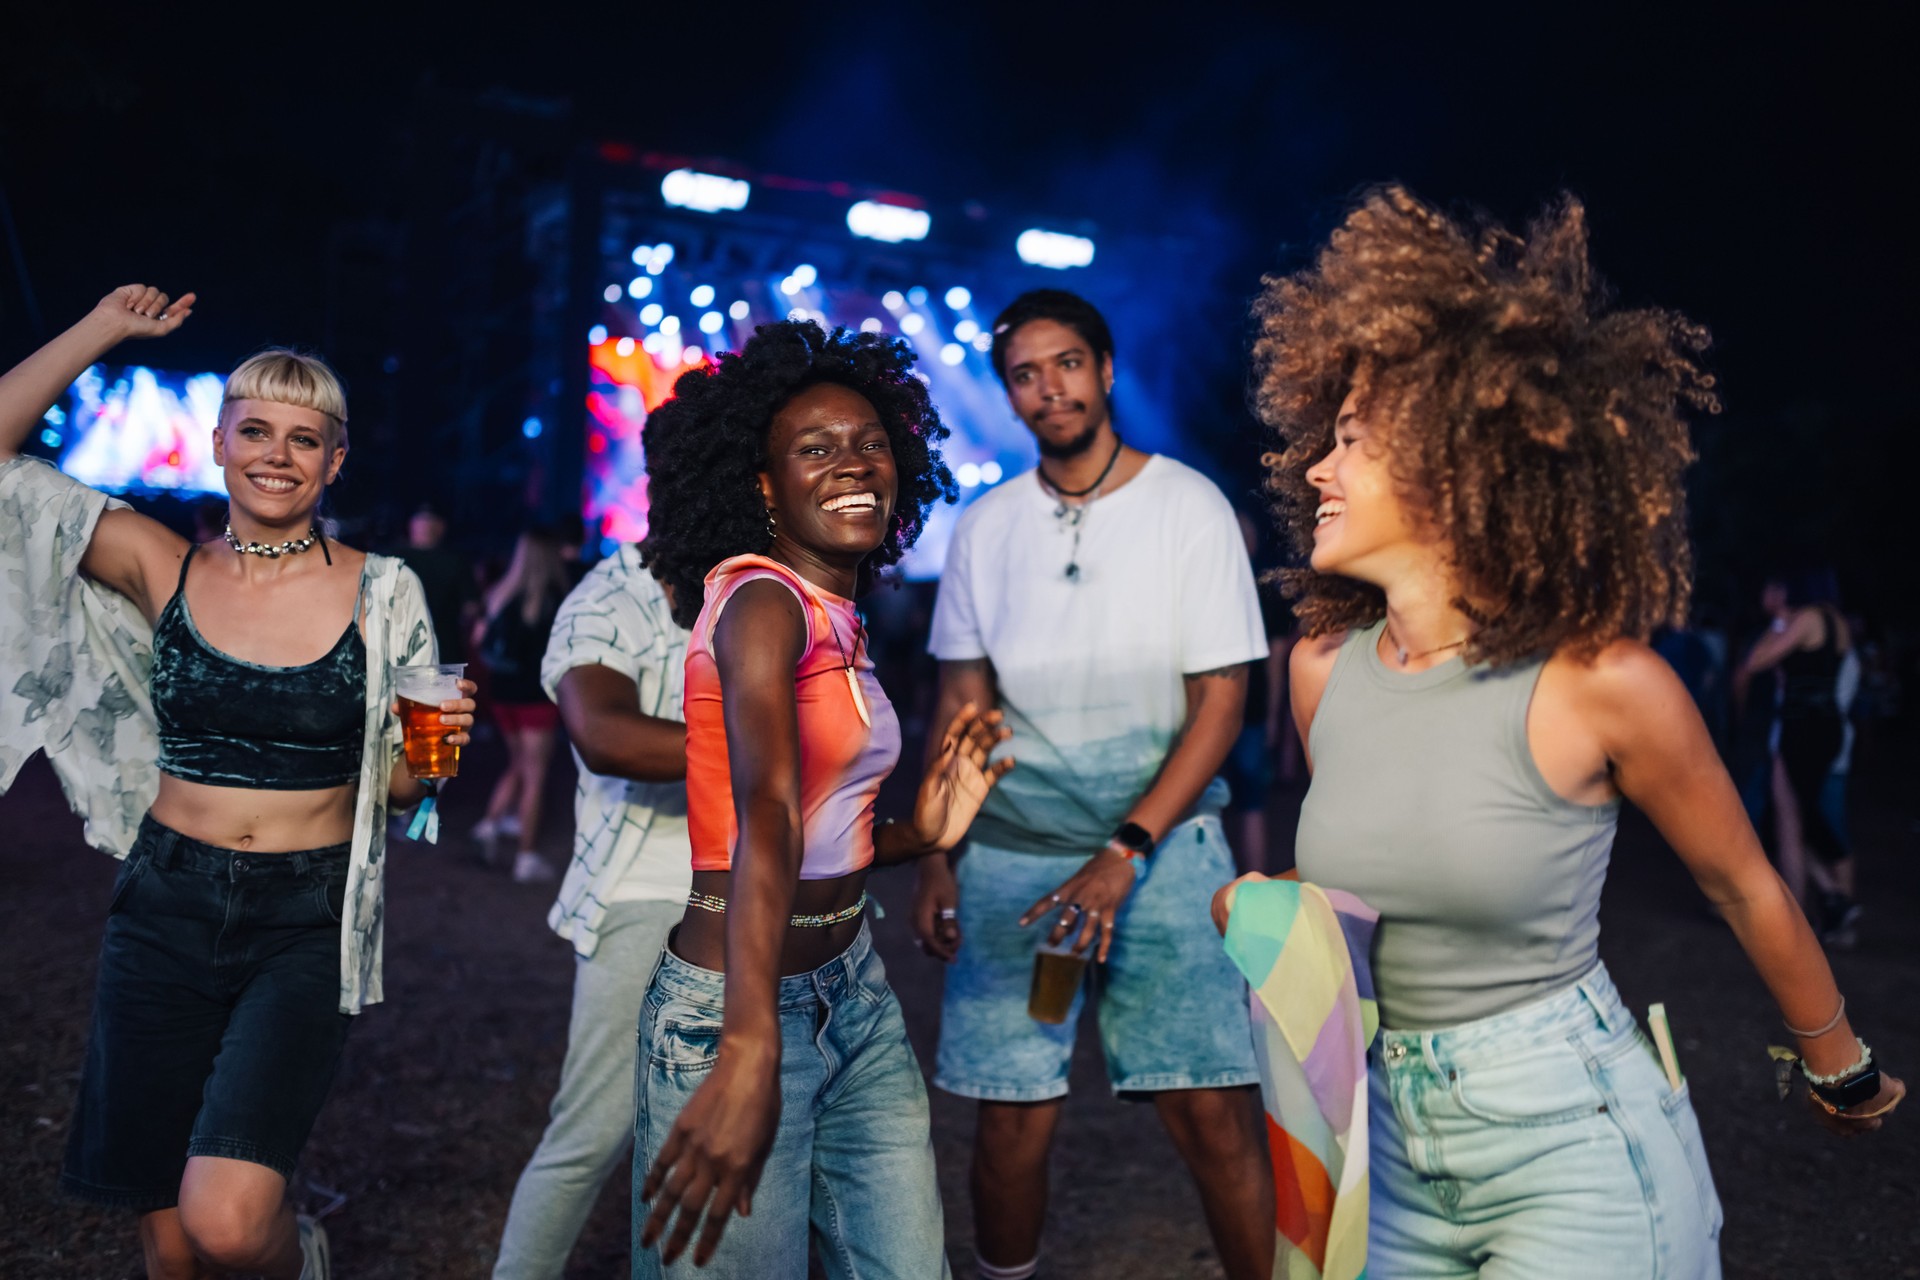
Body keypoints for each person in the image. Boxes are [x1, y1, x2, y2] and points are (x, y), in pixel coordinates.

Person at [1225, 187, 1902, 1278]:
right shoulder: (1319, 673)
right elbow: (1385, 854)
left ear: (1454, 464)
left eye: (1351, 442)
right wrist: (1269, 904)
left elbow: (1743, 883)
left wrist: (1838, 1062)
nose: (1315, 468)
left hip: (1570, 1136)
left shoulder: (1603, 683)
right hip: (1385, 1142)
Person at [0, 284, 476, 1280]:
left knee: (227, 1219)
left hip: (302, 921)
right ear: (217, 442)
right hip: (163, 904)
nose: (275, 453)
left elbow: (400, 796)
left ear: (334, 460)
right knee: (169, 1244)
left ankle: (298, 1253)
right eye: (254, 428)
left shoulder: (386, 592)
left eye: (304, 438)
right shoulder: (162, 565)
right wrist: (102, 330)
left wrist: (427, 762)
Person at [631, 318, 1013, 1278]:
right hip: (735, 1001)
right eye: (816, 448)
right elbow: (767, 812)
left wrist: (920, 832)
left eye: (871, 443)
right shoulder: (763, 603)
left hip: (856, 992)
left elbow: (823, 829)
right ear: (764, 486)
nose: (854, 463)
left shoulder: (836, 615)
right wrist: (751, 1041)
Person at [912, 289, 1275, 1280]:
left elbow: (1220, 706)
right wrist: (941, 852)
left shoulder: (1187, 506)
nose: (1048, 387)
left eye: (1066, 362)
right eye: (1025, 373)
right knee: (1013, 1114)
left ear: (1106, 368)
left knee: (1209, 1106)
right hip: (1019, 865)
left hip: (1157, 860)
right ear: (1011, 394)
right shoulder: (985, 528)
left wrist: (1125, 852)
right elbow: (960, 702)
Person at [493, 544, 693, 1278]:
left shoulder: (769, 577)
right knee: (595, 1131)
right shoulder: (610, 597)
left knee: (750, 1139)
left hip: (764, 889)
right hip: (647, 888)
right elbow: (607, 734)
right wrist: (772, 745)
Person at [1737, 569, 1860, 941]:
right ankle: (1823, 904)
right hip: (1820, 724)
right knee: (1792, 816)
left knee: (1799, 816)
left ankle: (1833, 898)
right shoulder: (1836, 622)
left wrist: (1778, 622)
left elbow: (1756, 662)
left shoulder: (1807, 619)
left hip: (1805, 726)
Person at [473, 528, 569, 881]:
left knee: (517, 763)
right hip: (536, 699)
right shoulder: (554, 599)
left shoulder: (500, 594)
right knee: (535, 775)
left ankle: (488, 826)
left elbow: (479, 639)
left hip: (503, 696)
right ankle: (526, 858)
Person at [397, 503, 480, 664]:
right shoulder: (456, 561)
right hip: (442, 650)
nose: (426, 525)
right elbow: (471, 608)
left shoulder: (390, 558)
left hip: (402, 651)